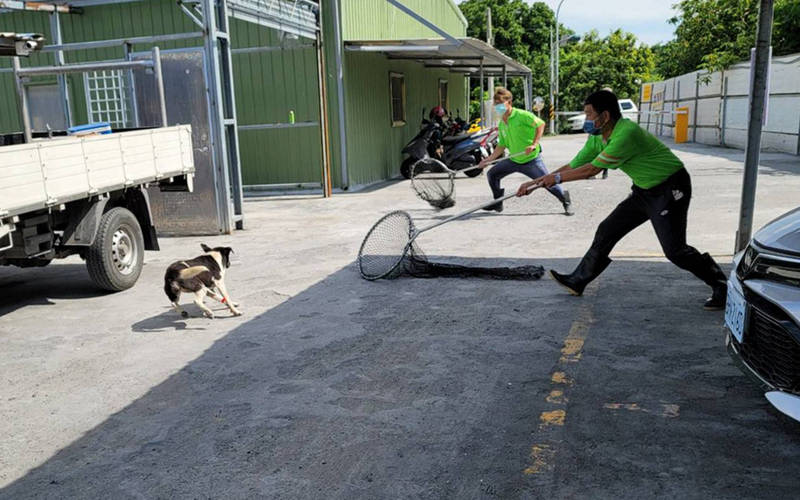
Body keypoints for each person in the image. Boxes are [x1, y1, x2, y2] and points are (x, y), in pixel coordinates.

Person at [516, 89, 727, 310]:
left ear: (605, 116)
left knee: (675, 251)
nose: (586, 120)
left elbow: (591, 170)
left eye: (589, 115)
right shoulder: (598, 138)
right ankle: (578, 280)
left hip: (670, 188)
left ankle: (721, 283)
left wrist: (555, 178)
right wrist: (536, 182)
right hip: (644, 191)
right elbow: (575, 165)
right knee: (607, 229)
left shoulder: (626, 133)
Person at [478, 87, 572, 215]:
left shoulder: (522, 115)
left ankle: (565, 200)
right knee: (492, 174)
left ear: (509, 102)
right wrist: (488, 160)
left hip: (531, 160)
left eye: (500, 103)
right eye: (496, 104)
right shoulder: (502, 123)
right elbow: (502, 145)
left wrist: (534, 144)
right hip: (513, 159)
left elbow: (541, 124)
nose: (497, 106)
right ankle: (498, 202)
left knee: (547, 182)